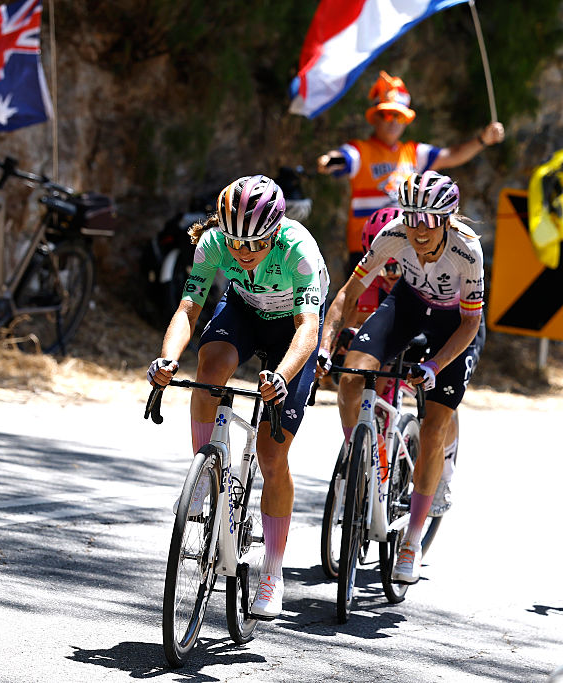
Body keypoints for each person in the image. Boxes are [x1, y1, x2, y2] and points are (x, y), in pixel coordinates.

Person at [147, 174, 329, 619]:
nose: (243, 254)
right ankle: (205, 479)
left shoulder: (298, 251)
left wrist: (283, 375)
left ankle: (272, 570)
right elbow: (189, 307)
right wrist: (167, 359)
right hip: (245, 311)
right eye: (235, 244)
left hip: (293, 326)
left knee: (271, 456)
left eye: (254, 245)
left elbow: (307, 329)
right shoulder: (211, 243)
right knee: (209, 371)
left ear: (275, 232)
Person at [316, 170, 486, 584]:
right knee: (353, 377)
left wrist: (433, 366)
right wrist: (324, 345)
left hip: (454, 323)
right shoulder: (393, 234)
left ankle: (411, 538)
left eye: (427, 220)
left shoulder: (468, 251)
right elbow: (348, 294)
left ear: (447, 219)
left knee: (434, 427)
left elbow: (469, 325)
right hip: (408, 304)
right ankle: (361, 457)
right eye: (411, 217)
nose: (417, 229)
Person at [316, 70, 505, 280]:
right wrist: (330, 160)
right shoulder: (362, 150)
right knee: (361, 307)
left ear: (406, 121)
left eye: (399, 116)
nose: (393, 121)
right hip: (366, 248)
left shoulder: (414, 153)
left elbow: (451, 155)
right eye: (387, 114)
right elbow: (345, 158)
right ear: (375, 118)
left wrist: (483, 140)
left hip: (405, 247)